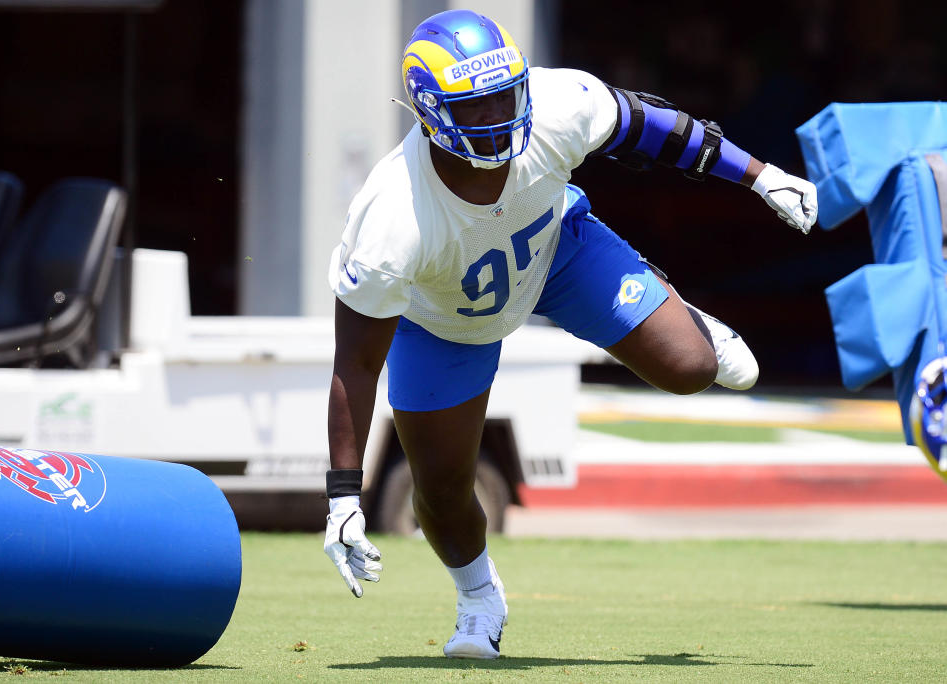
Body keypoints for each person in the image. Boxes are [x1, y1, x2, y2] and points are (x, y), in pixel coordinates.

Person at [323, 9, 817, 660]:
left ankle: (676, 306)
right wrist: (341, 498)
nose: (498, 115)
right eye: (474, 106)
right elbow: (356, 364)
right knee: (440, 493)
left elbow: (653, 130)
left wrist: (759, 176)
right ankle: (479, 600)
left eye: (505, 94)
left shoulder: (557, 105)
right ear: (429, 112)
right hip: (443, 324)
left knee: (691, 365)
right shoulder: (393, 215)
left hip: (557, 253)